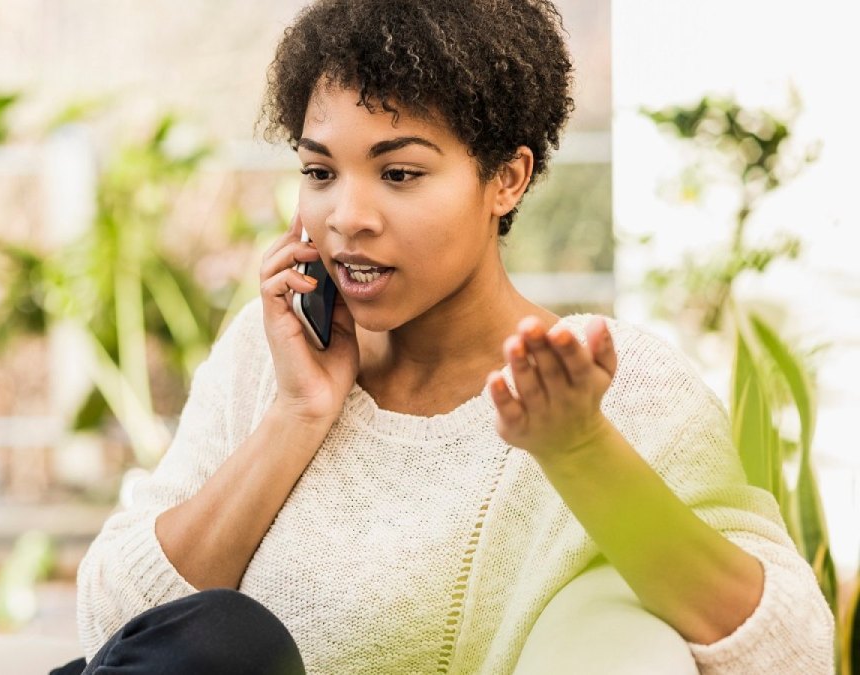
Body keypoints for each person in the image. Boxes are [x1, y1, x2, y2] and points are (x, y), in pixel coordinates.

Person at [55, 0, 835, 672]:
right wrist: (297, 415)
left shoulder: (615, 384)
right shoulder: (273, 355)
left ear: (507, 178)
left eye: (399, 174)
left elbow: (791, 653)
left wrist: (578, 449)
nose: (347, 217)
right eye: (321, 172)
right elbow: (115, 632)